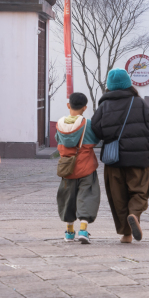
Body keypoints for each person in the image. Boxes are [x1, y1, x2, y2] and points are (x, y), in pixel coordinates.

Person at [90, 68, 149, 243]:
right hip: (138, 159)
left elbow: (96, 130)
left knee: (118, 196)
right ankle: (134, 213)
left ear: (109, 86)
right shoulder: (140, 104)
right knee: (140, 191)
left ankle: (126, 234)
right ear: (128, 84)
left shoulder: (104, 106)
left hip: (113, 159)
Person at [55, 91, 100, 243]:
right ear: (85, 108)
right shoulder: (87, 124)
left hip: (67, 169)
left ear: (69, 105)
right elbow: (95, 139)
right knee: (87, 196)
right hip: (86, 167)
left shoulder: (60, 124)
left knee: (68, 198)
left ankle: (69, 232)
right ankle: (83, 230)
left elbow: (57, 140)